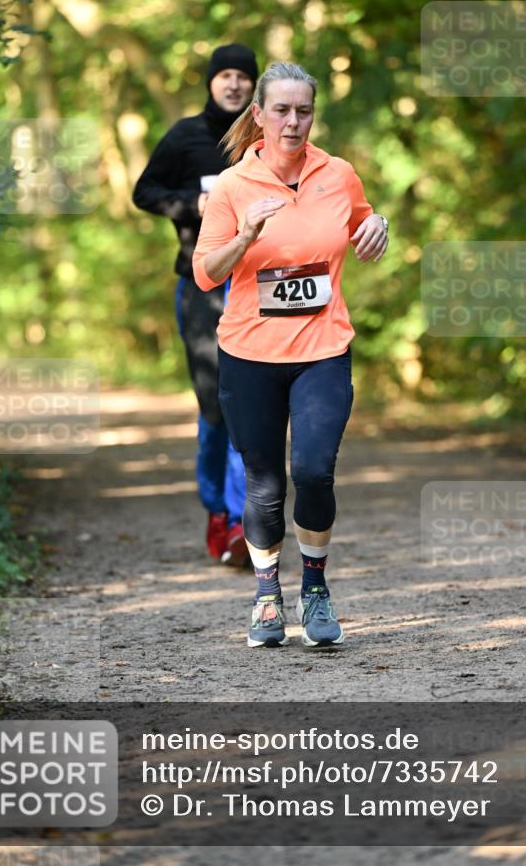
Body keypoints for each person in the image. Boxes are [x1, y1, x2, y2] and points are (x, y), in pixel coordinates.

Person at [192, 62, 388, 647]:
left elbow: (362, 223)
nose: (293, 122)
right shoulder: (232, 187)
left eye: (303, 110)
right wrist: (245, 236)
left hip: (324, 349)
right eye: (281, 110)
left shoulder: (339, 173)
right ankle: (266, 596)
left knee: (313, 472)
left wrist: (378, 226)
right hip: (249, 353)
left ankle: (318, 590)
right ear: (258, 115)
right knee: (265, 484)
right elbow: (206, 274)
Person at [133, 44, 259, 566]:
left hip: (259, 283)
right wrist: (192, 203)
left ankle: (244, 519)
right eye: (224, 76)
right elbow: (144, 191)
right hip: (202, 284)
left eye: (243, 77)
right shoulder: (186, 136)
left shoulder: (268, 134)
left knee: (251, 399)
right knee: (214, 402)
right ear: (211, 82)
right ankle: (219, 511)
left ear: (254, 86)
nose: (233, 85)